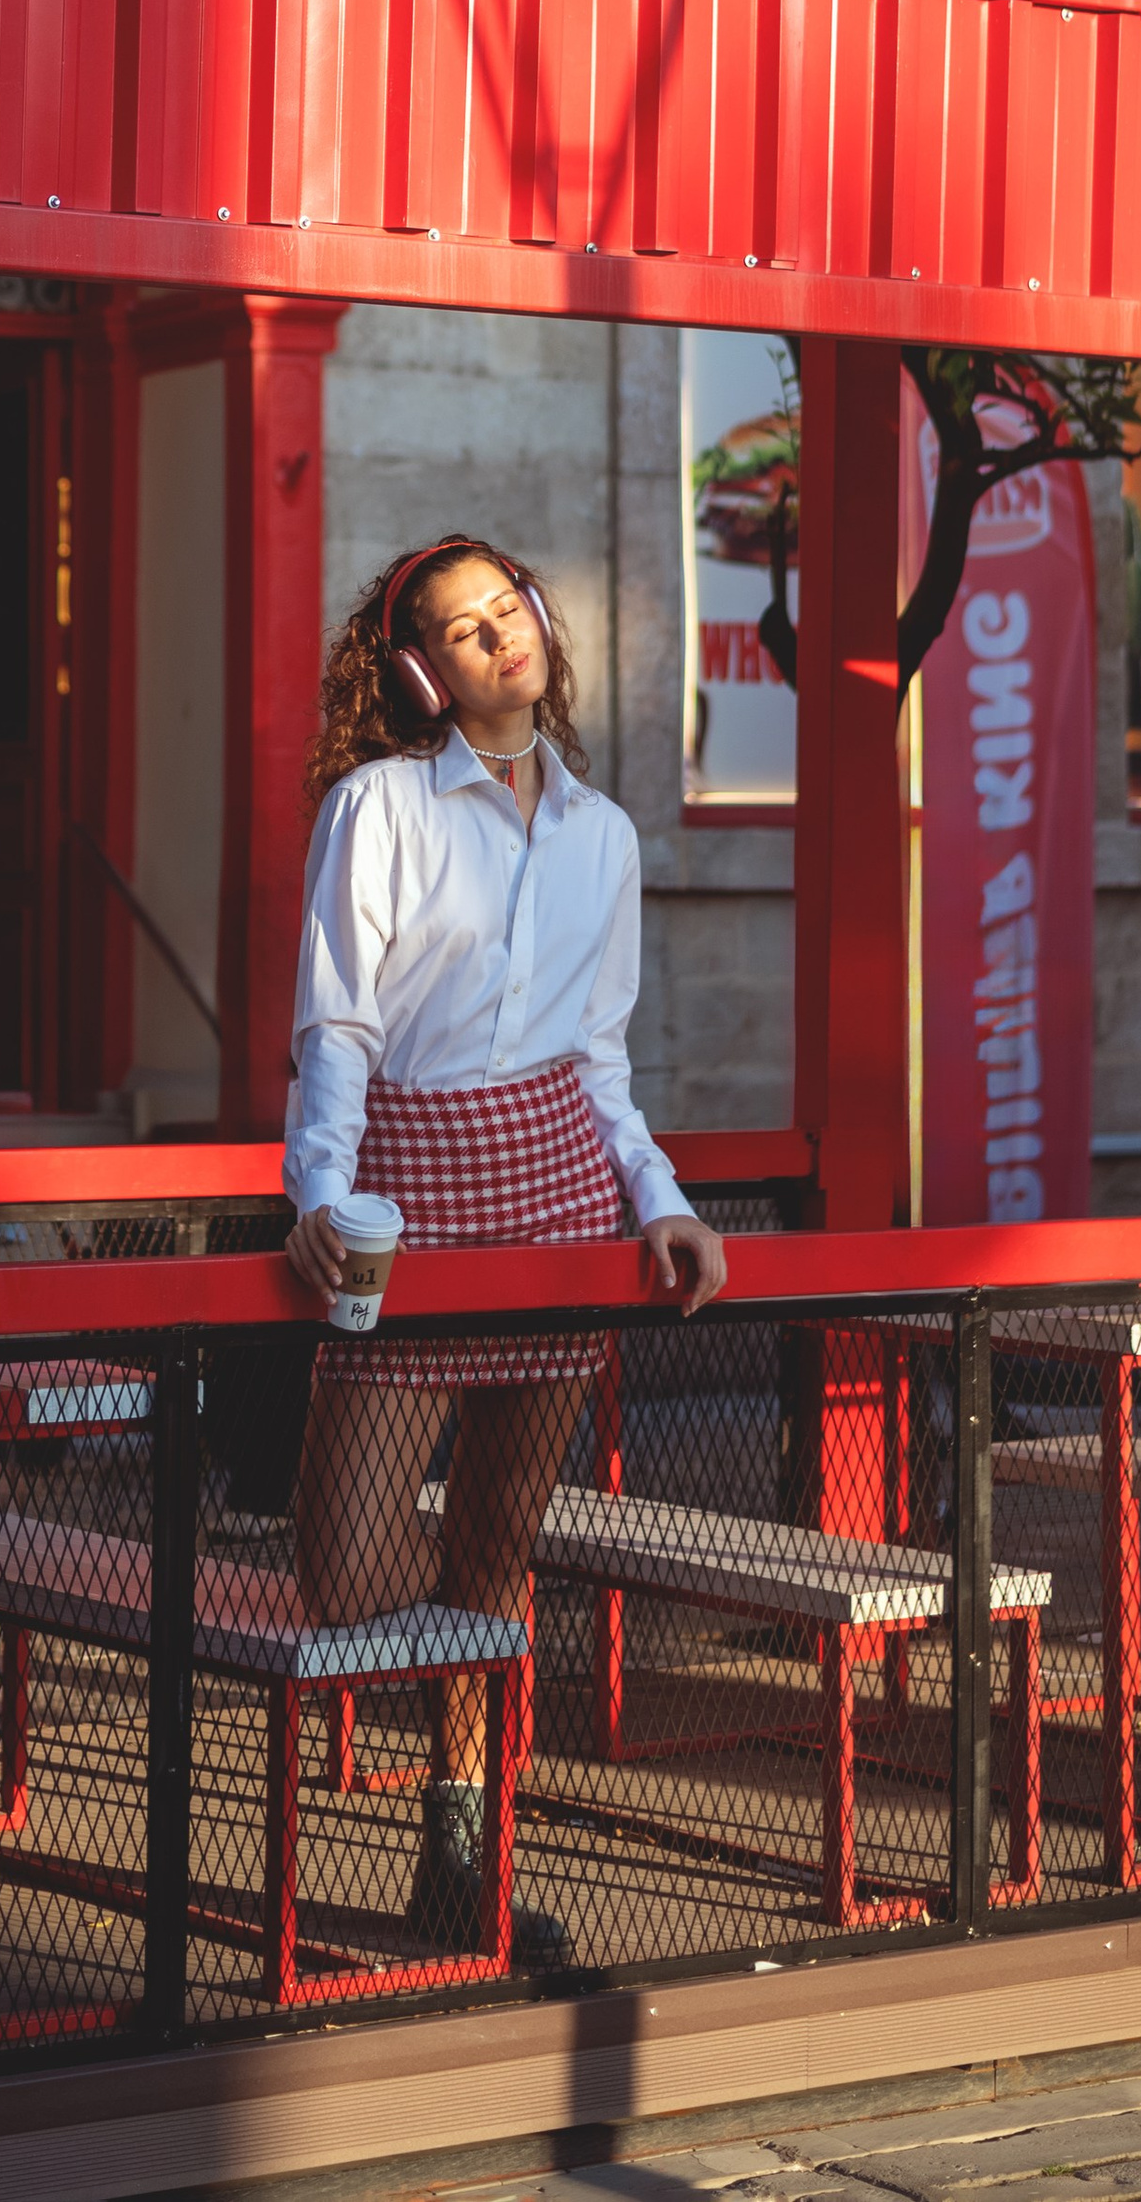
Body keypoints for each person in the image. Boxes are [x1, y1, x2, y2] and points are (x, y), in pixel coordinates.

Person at [283, 534, 727, 1969]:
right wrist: (318, 1196)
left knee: (499, 1553)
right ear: (421, 670)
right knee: (348, 1567)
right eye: (459, 631)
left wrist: (656, 1196)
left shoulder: (604, 836)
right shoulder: (383, 806)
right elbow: (337, 1026)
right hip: (407, 1194)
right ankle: (447, 1811)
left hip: (556, 1196)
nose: (496, 642)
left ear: (539, 619)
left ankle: (458, 1850)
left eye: (506, 612)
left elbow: (602, 1053)